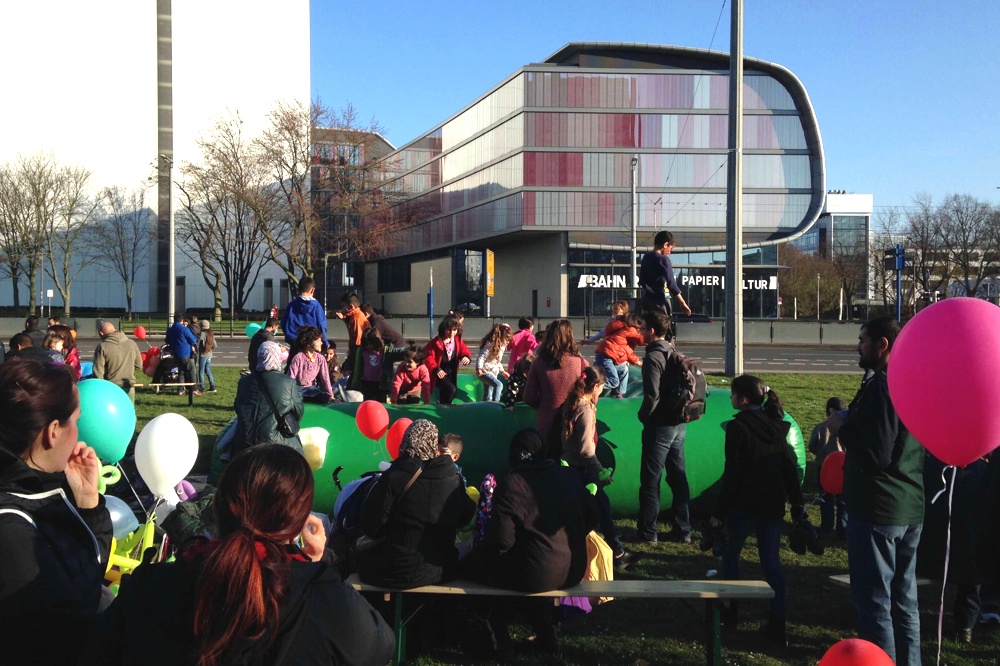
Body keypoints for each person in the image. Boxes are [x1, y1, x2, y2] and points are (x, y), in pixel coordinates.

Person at [91, 444, 395, 666]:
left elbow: (100, 650)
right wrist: (321, 566)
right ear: (298, 523)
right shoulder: (322, 600)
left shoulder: (150, 586)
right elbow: (382, 646)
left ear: (219, 508)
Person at [0, 360, 113, 665]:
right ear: (53, 432)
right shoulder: (12, 529)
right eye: (75, 421)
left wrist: (88, 501)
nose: (78, 432)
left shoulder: (34, 492)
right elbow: (71, 625)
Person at [827, 316, 925, 666]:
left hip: (878, 508)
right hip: (908, 504)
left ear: (882, 345)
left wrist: (843, 429)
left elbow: (877, 454)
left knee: (875, 602)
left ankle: (880, 660)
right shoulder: (912, 381)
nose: (858, 345)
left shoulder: (884, 386)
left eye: (863, 339)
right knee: (904, 602)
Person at [477, 428, 599, 653]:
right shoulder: (567, 475)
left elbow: (501, 542)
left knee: (480, 569)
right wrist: (569, 537)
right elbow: (593, 513)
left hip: (539, 571)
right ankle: (545, 636)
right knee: (532, 567)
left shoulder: (512, 484)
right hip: (574, 568)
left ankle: (495, 629)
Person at [711, 374, 804, 644]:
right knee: (771, 562)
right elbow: (788, 466)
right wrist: (797, 503)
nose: (729, 398)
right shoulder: (777, 425)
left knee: (731, 556)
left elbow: (733, 472)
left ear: (743, 399)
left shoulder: (737, 428)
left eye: (732, 394)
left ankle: (731, 612)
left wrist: (720, 510)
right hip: (772, 504)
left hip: (743, 504)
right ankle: (778, 620)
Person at [358, 419, 477, 589]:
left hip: (398, 570)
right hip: (442, 568)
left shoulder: (395, 476)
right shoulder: (452, 478)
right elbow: (465, 516)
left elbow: (372, 526)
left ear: (407, 440)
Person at [559, 365, 635, 569]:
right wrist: (600, 470)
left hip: (572, 468)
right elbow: (585, 449)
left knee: (593, 509)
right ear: (594, 386)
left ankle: (613, 551)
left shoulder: (573, 403)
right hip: (581, 469)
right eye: (602, 387)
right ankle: (616, 553)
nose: (602, 391)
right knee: (601, 506)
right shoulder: (584, 410)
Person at [635, 311, 691, 543]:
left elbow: (652, 396)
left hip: (659, 426)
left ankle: (648, 532)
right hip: (678, 424)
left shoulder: (652, 358)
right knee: (678, 478)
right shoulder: (672, 352)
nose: (640, 332)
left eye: (643, 327)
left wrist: (643, 416)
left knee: (651, 480)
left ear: (652, 331)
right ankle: (683, 529)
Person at [524, 319, 590, 457]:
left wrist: (544, 405)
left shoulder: (538, 363)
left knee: (548, 466)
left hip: (546, 424)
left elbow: (529, 397)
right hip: (573, 424)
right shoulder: (581, 363)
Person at [230, 341, 304, 462]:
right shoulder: (288, 383)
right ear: (278, 357)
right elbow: (298, 412)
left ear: (259, 356)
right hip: (274, 440)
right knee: (299, 456)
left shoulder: (244, 382)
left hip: (245, 439)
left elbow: (238, 407)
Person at [809, 396, 847, 535]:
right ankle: (843, 528)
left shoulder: (821, 427)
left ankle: (827, 525)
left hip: (824, 467)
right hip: (843, 468)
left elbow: (812, 446)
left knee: (825, 498)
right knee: (843, 500)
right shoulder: (847, 429)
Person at [638, 230, 692, 317]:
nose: (669, 252)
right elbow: (672, 284)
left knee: (649, 327)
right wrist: (683, 303)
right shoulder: (664, 260)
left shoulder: (645, 257)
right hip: (660, 300)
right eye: (670, 249)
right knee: (662, 327)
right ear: (665, 245)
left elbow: (641, 280)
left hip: (647, 301)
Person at [348, 327, 408, 403]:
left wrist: (407, 352)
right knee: (368, 402)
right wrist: (346, 368)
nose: (368, 346)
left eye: (369, 344)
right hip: (366, 382)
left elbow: (399, 355)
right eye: (366, 343)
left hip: (381, 383)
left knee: (381, 402)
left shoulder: (386, 351)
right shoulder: (361, 351)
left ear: (376, 342)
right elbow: (351, 360)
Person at [593, 312, 643, 398]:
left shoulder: (622, 333)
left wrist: (637, 361)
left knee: (623, 370)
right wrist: (653, 339)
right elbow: (641, 340)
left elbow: (627, 352)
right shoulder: (630, 330)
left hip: (605, 356)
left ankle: (618, 393)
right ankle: (590, 387)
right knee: (614, 381)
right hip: (606, 357)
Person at [423, 315, 471, 405]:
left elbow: (464, 350)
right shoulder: (436, 342)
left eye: (454, 330)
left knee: (448, 392)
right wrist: (435, 368)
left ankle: (442, 407)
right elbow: (428, 357)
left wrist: (465, 357)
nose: (452, 333)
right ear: (443, 329)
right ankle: (445, 407)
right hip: (439, 373)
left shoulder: (457, 340)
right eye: (449, 330)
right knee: (451, 389)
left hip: (451, 372)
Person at [93, 321, 143, 401]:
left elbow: (98, 373)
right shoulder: (132, 343)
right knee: (129, 411)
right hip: (128, 385)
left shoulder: (102, 347)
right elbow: (139, 365)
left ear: (101, 333)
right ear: (115, 329)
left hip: (110, 387)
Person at [281, 277, 328, 360]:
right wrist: (324, 341)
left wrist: (290, 338)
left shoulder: (291, 305)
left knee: (293, 369)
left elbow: (284, 323)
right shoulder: (316, 306)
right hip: (312, 346)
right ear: (313, 290)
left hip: (295, 343)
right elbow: (321, 325)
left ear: (298, 290)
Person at [287, 326, 335, 403]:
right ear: (308, 343)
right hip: (299, 391)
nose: (321, 343)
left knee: (320, 395)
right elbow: (290, 378)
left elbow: (325, 379)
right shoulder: (298, 357)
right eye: (318, 341)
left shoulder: (320, 358)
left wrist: (331, 396)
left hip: (313, 390)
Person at [165, 314, 201, 396]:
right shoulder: (184, 329)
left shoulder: (170, 330)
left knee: (181, 371)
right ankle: (194, 389)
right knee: (191, 371)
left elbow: (167, 341)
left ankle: (181, 390)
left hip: (176, 354)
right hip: (185, 353)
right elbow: (193, 340)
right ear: (181, 320)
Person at [476, 323, 513, 402]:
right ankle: (496, 403)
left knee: (488, 392)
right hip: (485, 371)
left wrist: (502, 372)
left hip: (493, 372)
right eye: (506, 340)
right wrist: (479, 368)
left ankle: (486, 406)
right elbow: (482, 356)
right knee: (499, 385)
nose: (508, 342)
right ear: (500, 337)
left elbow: (497, 362)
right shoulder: (490, 344)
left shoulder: (501, 347)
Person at [333, 292, 368, 374]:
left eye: (343, 306)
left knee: (346, 371)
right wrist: (344, 319)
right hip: (357, 352)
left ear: (351, 307)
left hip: (358, 353)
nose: (341, 309)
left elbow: (358, 341)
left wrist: (353, 356)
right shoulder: (354, 317)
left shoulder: (357, 319)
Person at [198, 320, 217, 393]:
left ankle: (201, 387)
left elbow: (201, 343)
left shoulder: (202, 334)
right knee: (208, 370)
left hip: (203, 354)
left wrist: (200, 348)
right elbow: (215, 345)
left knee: (201, 371)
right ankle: (212, 386)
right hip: (209, 354)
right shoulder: (211, 333)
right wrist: (209, 348)